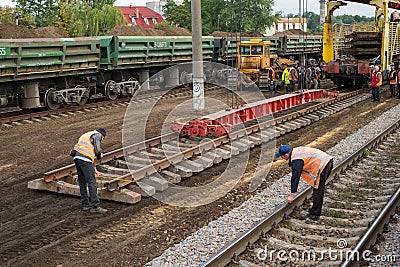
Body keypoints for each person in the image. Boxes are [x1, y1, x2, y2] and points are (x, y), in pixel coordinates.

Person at [275, 145, 333, 220]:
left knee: (318, 189)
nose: (281, 158)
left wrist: (292, 194)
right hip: (327, 161)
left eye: (281, 156)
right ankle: (315, 210)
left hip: (323, 165)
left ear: (286, 155)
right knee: (317, 188)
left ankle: (314, 214)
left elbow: (295, 176)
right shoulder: (296, 152)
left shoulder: (296, 159)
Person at [71, 128, 107, 213]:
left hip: (77, 158)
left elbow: (86, 152)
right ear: (102, 136)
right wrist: (99, 156)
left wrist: (93, 168)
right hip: (85, 159)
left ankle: (85, 204)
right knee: (92, 182)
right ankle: (95, 206)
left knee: (82, 181)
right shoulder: (98, 135)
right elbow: (97, 151)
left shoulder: (86, 134)